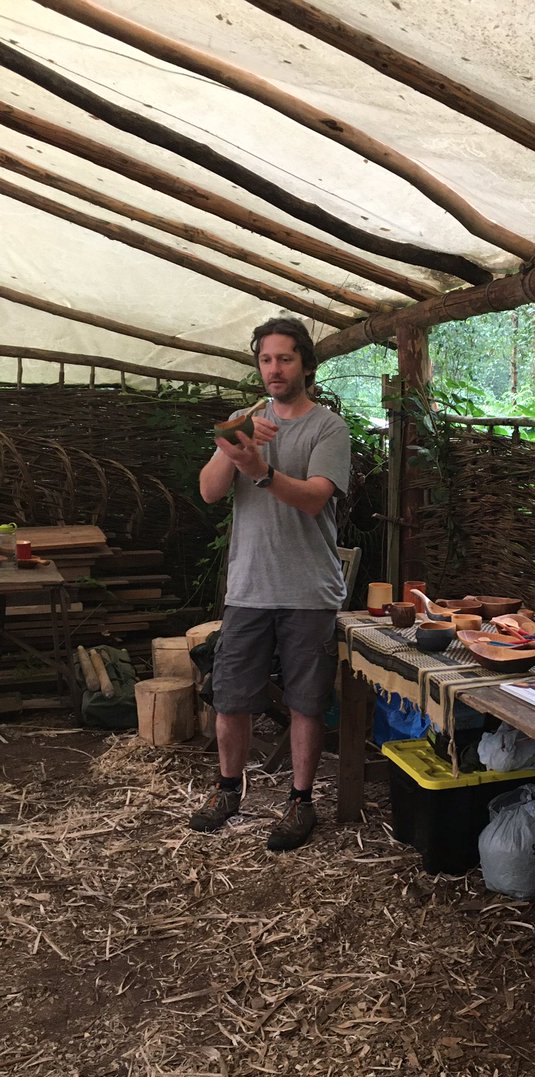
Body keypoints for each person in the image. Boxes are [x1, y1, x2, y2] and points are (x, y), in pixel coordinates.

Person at [188, 315, 351, 851]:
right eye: (266, 360)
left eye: (284, 358)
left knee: (306, 700)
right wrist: (230, 447)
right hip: (249, 588)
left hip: (308, 590)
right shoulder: (243, 419)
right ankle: (228, 790)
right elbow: (211, 492)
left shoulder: (327, 427)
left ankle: (300, 801)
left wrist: (259, 469)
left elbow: (314, 498)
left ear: (305, 363)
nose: (274, 369)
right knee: (231, 695)